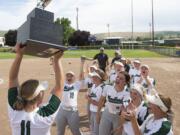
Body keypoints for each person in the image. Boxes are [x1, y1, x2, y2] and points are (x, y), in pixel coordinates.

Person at [8, 43, 64, 135]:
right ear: (39, 98)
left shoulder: (14, 108)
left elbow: (12, 79)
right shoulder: (46, 114)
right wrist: (57, 60)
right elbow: (59, 87)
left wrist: (19, 55)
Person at [56, 58, 86, 135]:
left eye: (71, 76)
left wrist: (82, 63)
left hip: (72, 112)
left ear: (74, 77)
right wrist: (55, 62)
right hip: (61, 110)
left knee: (76, 132)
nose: (69, 77)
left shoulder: (76, 85)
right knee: (60, 132)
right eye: (67, 75)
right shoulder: (63, 84)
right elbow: (58, 75)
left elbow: (81, 76)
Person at [86, 69, 106, 135]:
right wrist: (88, 96)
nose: (92, 78)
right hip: (92, 111)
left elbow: (104, 105)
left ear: (100, 78)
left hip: (99, 112)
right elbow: (92, 96)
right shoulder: (94, 85)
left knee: (97, 132)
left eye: (95, 77)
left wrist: (90, 100)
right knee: (93, 129)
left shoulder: (103, 88)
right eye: (93, 76)